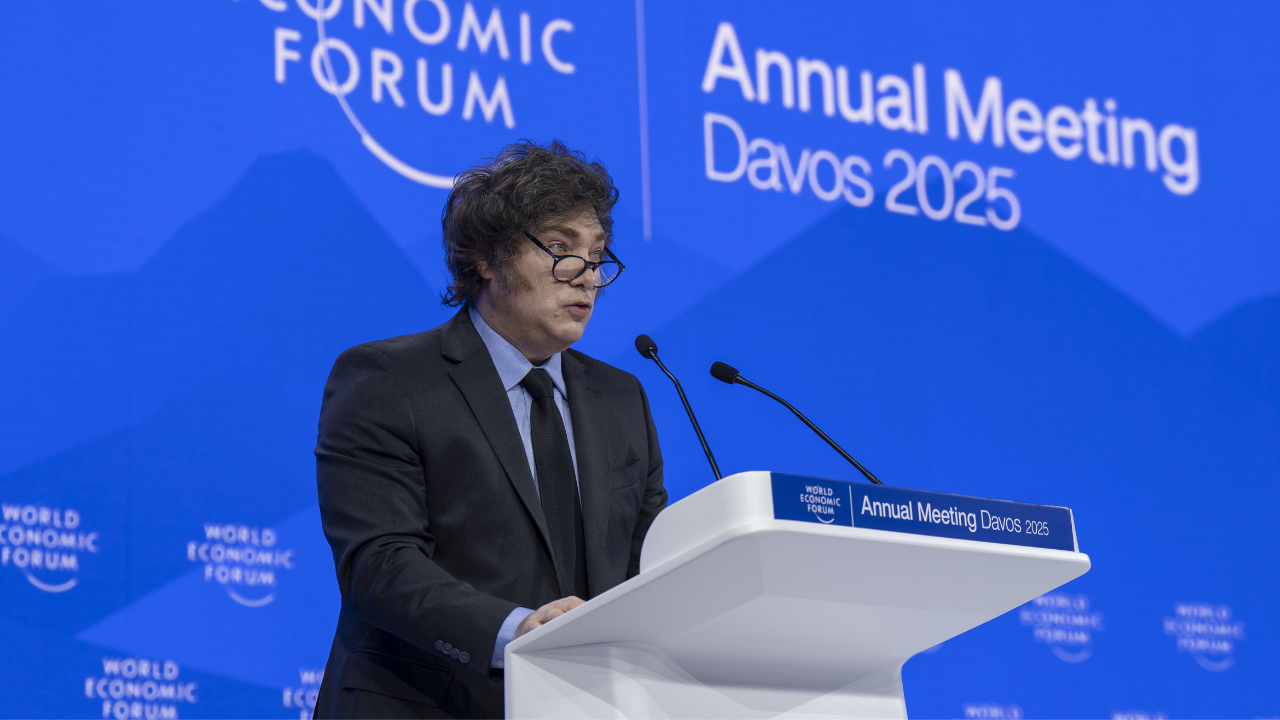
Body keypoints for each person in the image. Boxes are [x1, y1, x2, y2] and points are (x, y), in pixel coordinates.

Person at [312, 140, 668, 719]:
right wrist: (515, 631)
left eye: (598, 255)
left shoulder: (621, 397)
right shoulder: (390, 379)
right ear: (486, 257)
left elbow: (646, 563)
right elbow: (378, 563)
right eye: (560, 248)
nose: (587, 277)